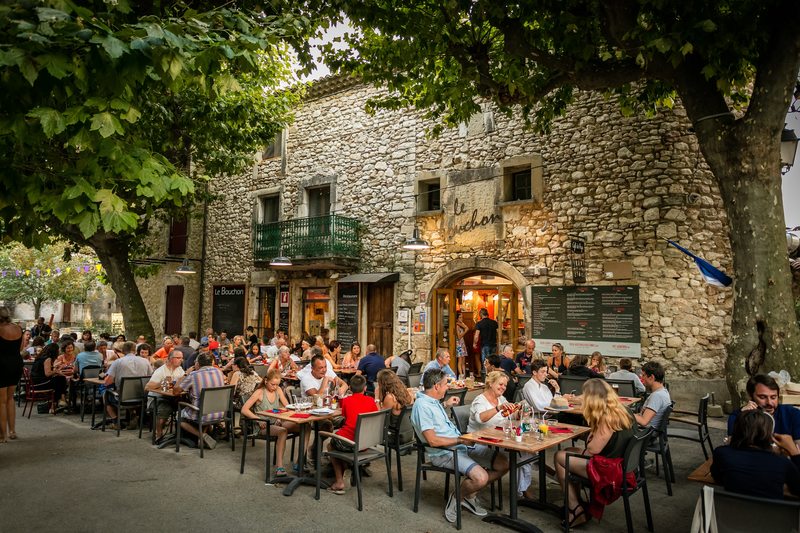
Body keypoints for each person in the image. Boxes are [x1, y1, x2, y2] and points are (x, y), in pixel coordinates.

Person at [411, 368, 508, 524]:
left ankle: (470, 495)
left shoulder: (431, 400)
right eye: (445, 384)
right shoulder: (422, 406)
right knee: (481, 478)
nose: (447, 387)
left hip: (459, 445)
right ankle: (457, 497)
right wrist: (460, 440)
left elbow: (433, 413)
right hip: (443, 453)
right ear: (436, 386)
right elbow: (433, 441)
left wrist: (445, 404)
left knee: (503, 464)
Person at [554, 379, 636, 528]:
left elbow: (592, 449)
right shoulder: (624, 410)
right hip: (620, 462)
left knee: (559, 457)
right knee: (569, 451)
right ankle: (578, 501)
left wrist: (591, 433)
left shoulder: (607, 418)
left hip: (610, 470)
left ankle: (575, 509)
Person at [469, 371, 535, 498]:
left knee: (526, 453)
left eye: (505, 385)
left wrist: (520, 413)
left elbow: (510, 415)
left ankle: (522, 488)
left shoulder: (501, 399)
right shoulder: (480, 400)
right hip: (480, 442)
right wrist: (498, 408)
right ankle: (473, 488)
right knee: (519, 456)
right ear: (491, 383)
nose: (503, 387)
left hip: (498, 439)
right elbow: (480, 418)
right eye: (500, 384)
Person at [712, 409, 800, 499]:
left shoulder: (721, 453)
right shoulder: (782, 462)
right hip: (771, 508)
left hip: (731, 507)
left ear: (736, 430)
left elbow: (717, 478)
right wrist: (794, 451)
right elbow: (797, 490)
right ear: (769, 435)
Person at [240, 368, 301, 477]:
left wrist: (280, 418)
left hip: (276, 423)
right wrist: (258, 420)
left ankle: (300, 461)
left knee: (304, 427)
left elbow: (288, 407)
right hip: (262, 426)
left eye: (277, 385)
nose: (275, 387)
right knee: (282, 431)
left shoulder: (278, 390)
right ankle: (279, 467)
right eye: (273, 384)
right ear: (266, 381)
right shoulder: (259, 392)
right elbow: (244, 409)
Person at [326, 375, 379, 494]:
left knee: (331, 445)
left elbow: (344, 416)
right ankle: (348, 467)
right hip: (366, 442)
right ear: (365, 388)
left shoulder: (346, 401)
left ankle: (339, 481)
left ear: (349, 388)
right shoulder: (371, 401)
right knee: (340, 440)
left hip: (350, 443)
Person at [173, 351, 226, 449]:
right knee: (204, 406)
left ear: (197, 363)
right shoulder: (219, 372)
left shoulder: (194, 375)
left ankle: (201, 435)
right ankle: (203, 436)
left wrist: (186, 373)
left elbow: (176, 392)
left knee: (179, 416)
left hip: (202, 414)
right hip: (219, 412)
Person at [727, 374, 800, 444]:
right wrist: (743, 418)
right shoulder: (737, 417)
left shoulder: (793, 414)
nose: (769, 403)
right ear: (750, 396)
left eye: (773, 397)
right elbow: (733, 447)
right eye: (762, 397)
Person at [103, 341, 153, 423]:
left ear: (123, 350)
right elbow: (150, 378)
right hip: (141, 396)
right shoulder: (145, 361)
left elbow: (107, 382)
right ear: (135, 350)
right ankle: (132, 414)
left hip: (123, 397)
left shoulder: (118, 362)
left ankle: (115, 421)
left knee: (106, 394)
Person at [145, 350, 186, 440]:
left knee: (187, 406)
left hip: (173, 398)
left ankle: (183, 434)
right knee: (165, 408)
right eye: (178, 358)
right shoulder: (161, 371)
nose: (181, 360)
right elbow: (147, 387)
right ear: (170, 359)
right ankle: (158, 434)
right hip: (156, 399)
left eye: (182, 358)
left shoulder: (179, 369)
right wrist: (164, 383)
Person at [0, 307, 23, 442]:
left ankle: (2, 435)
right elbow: (21, 348)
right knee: (10, 398)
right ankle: (12, 431)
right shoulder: (18, 328)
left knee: (1, 401)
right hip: (16, 364)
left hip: (1, 365)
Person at [375, 368, 414, 434]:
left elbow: (381, 418)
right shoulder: (408, 393)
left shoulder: (390, 398)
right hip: (408, 431)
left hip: (393, 434)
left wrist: (376, 398)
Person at [633, 361, 671, 429]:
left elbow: (644, 421)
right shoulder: (664, 391)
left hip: (644, 432)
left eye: (643, 375)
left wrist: (625, 414)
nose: (641, 378)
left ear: (651, 377)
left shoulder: (657, 396)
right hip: (649, 430)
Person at [454, 311, 468, 377]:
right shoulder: (457, 326)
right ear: (457, 318)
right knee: (460, 360)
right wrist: (465, 331)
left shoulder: (461, 324)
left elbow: (466, 327)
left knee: (463, 361)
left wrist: (464, 327)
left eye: (462, 317)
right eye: (460, 317)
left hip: (462, 343)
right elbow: (459, 337)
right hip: (459, 344)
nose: (461, 319)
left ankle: (464, 375)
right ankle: (461, 375)